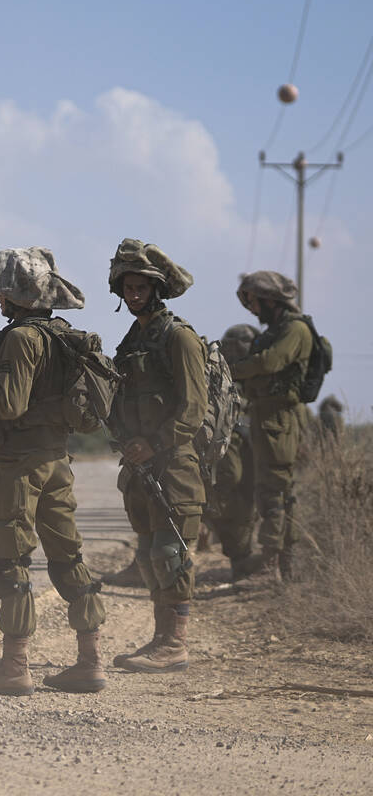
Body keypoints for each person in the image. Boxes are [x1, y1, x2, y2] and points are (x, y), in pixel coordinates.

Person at [0, 247, 107, 696]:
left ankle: (15, 667)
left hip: (20, 465)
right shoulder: (62, 334)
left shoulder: (21, 339)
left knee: (12, 561)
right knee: (68, 557)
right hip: (57, 462)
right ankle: (90, 661)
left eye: (1, 289)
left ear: (18, 294)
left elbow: (9, 404)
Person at [106, 239, 206, 674]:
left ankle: (175, 645)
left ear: (156, 289)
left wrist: (156, 443)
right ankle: (160, 640)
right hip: (141, 468)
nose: (132, 295)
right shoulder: (132, 341)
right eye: (126, 287)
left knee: (171, 554)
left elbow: (193, 408)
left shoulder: (178, 337)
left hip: (174, 466)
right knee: (149, 556)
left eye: (140, 287)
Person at [230, 271, 313, 581]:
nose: (252, 309)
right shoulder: (279, 329)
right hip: (269, 417)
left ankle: (269, 567)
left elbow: (269, 362)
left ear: (268, 298)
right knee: (275, 491)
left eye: (253, 301)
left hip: (280, 419)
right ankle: (283, 567)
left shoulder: (295, 329)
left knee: (273, 493)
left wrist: (232, 370)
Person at [205, 324, 259, 580]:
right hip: (229, 439)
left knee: (245, 500)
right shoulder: (219, 370)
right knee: (226, 488)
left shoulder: (252, 372)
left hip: (250, 442)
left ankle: (242, 562)